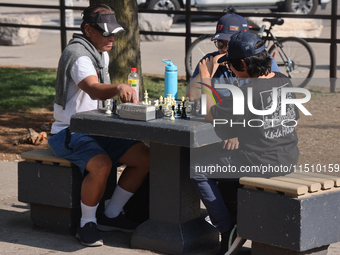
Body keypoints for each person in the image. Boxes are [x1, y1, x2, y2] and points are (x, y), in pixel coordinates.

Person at [48, 4, 149, 247]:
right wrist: (118, 88)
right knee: (102, 165)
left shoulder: (99, 51)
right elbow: (93, 89)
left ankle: (111, 215)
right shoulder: (79, 55)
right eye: (106, 32)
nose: (111, 38)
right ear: (88, 29)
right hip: (69, 132)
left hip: (96, 128)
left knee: (145, 157)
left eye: (113, 32)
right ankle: (87, 224)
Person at [190, 31, 300, 255]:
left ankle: (226, 227)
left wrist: (205, 76)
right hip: (288, 157)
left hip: (261, 163)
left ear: (242, 63)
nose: (229, 69)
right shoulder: (284, 80)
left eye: (230, 65)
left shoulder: (246, 92)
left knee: (197, 169)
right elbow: (293, 117)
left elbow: (208, 112)